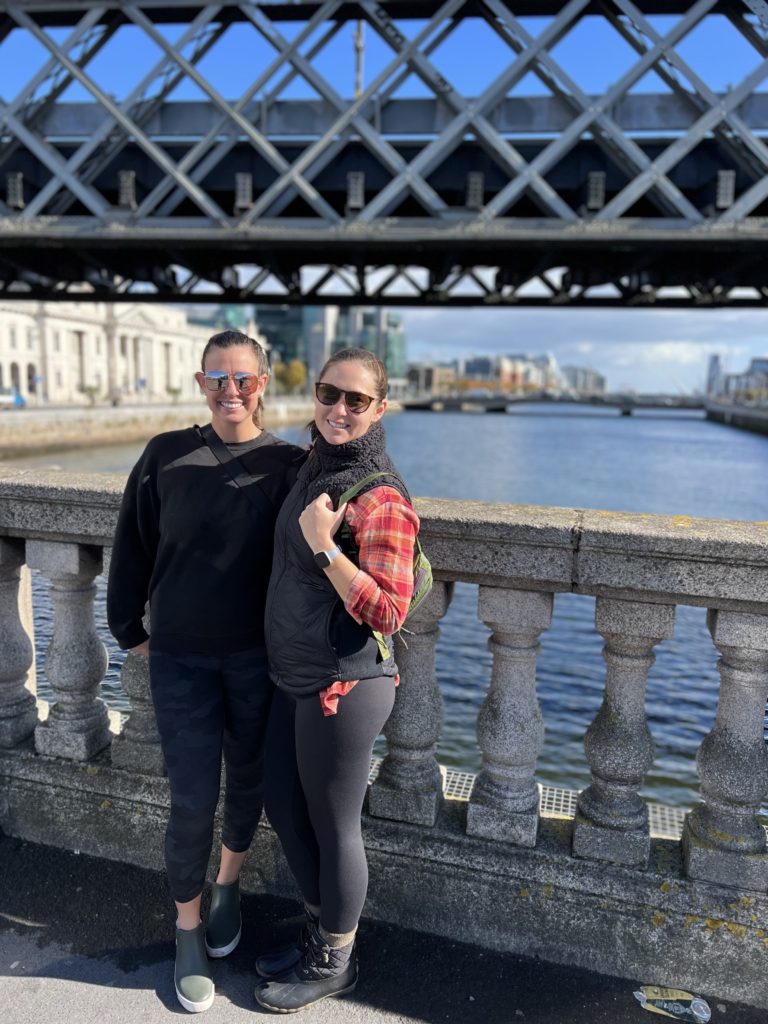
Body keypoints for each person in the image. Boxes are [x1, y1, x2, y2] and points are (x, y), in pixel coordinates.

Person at [106, 330, 305, 1014]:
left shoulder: (290, 464)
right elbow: (132, 545)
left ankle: (227, 885)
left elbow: (313, 556)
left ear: (263, 384)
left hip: (257, 658)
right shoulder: (165, 454)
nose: (230, 391)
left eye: (243, 379)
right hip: (182, 659)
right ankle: (187, 928)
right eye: (217, 378)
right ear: (200, 383)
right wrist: (130, 630)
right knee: (191, 798)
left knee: (247, 782)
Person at [255, 347, 420, 1013]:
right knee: (283, 804)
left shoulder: (381, 496)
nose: (340, 409)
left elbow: (389, 610)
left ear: (381, 409)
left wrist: (326, 546)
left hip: (345, 683)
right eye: (330, 393)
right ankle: (318, 930)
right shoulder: (313, 467)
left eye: (357, 400)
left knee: (334, 825)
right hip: (296, 672)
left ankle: (334, 961)